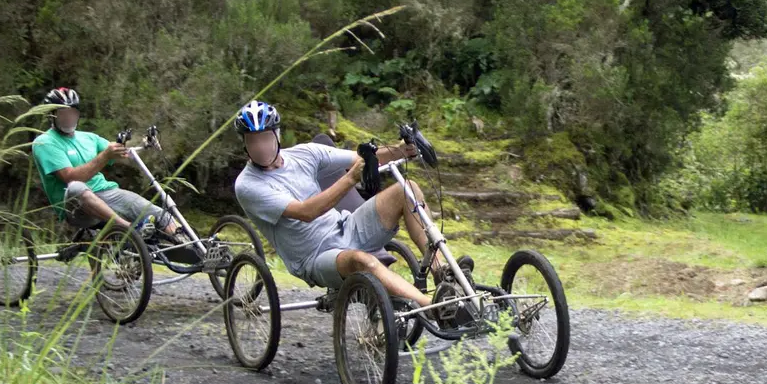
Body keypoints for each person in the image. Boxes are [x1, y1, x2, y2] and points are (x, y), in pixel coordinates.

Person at [233, 100, 462, 308]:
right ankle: (434, 307)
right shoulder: (248, 185)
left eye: (265, 138)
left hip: (345, 227)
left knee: (408, 189)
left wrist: (402, 149)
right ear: (244, 144)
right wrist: (351, 178)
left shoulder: (305, 154)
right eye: (253, 141)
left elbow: (358, 159)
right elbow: (306, 212)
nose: (260, 146)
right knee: (361, 260)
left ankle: (441, 271)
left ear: (277, 135)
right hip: (314, 257)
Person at [31, 87, 179, 242]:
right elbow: (70, 177)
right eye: (63, 113)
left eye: (73, 112)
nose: (69, 117)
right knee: (76, 187)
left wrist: (143, 144)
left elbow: (122, 152)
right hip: (74, 205)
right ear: (52, 116)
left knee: (160, 214)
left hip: (107, 193)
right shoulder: (44, 142)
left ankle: (189, 248)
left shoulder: (89, 138)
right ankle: (129, 230)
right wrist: (104, 156)